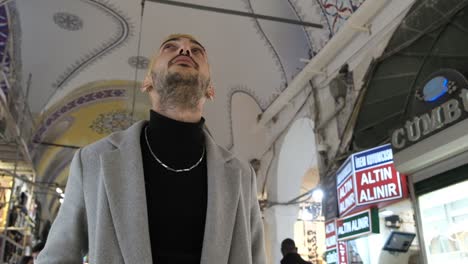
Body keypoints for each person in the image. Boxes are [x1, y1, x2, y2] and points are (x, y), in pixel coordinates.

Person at [36, 34, 266, 264]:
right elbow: (57, 257)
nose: (185, 50)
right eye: (170, 47)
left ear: (210, 89)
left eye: (197, 51)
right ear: (148, 82)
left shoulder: (241, 176)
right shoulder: (93, 161)